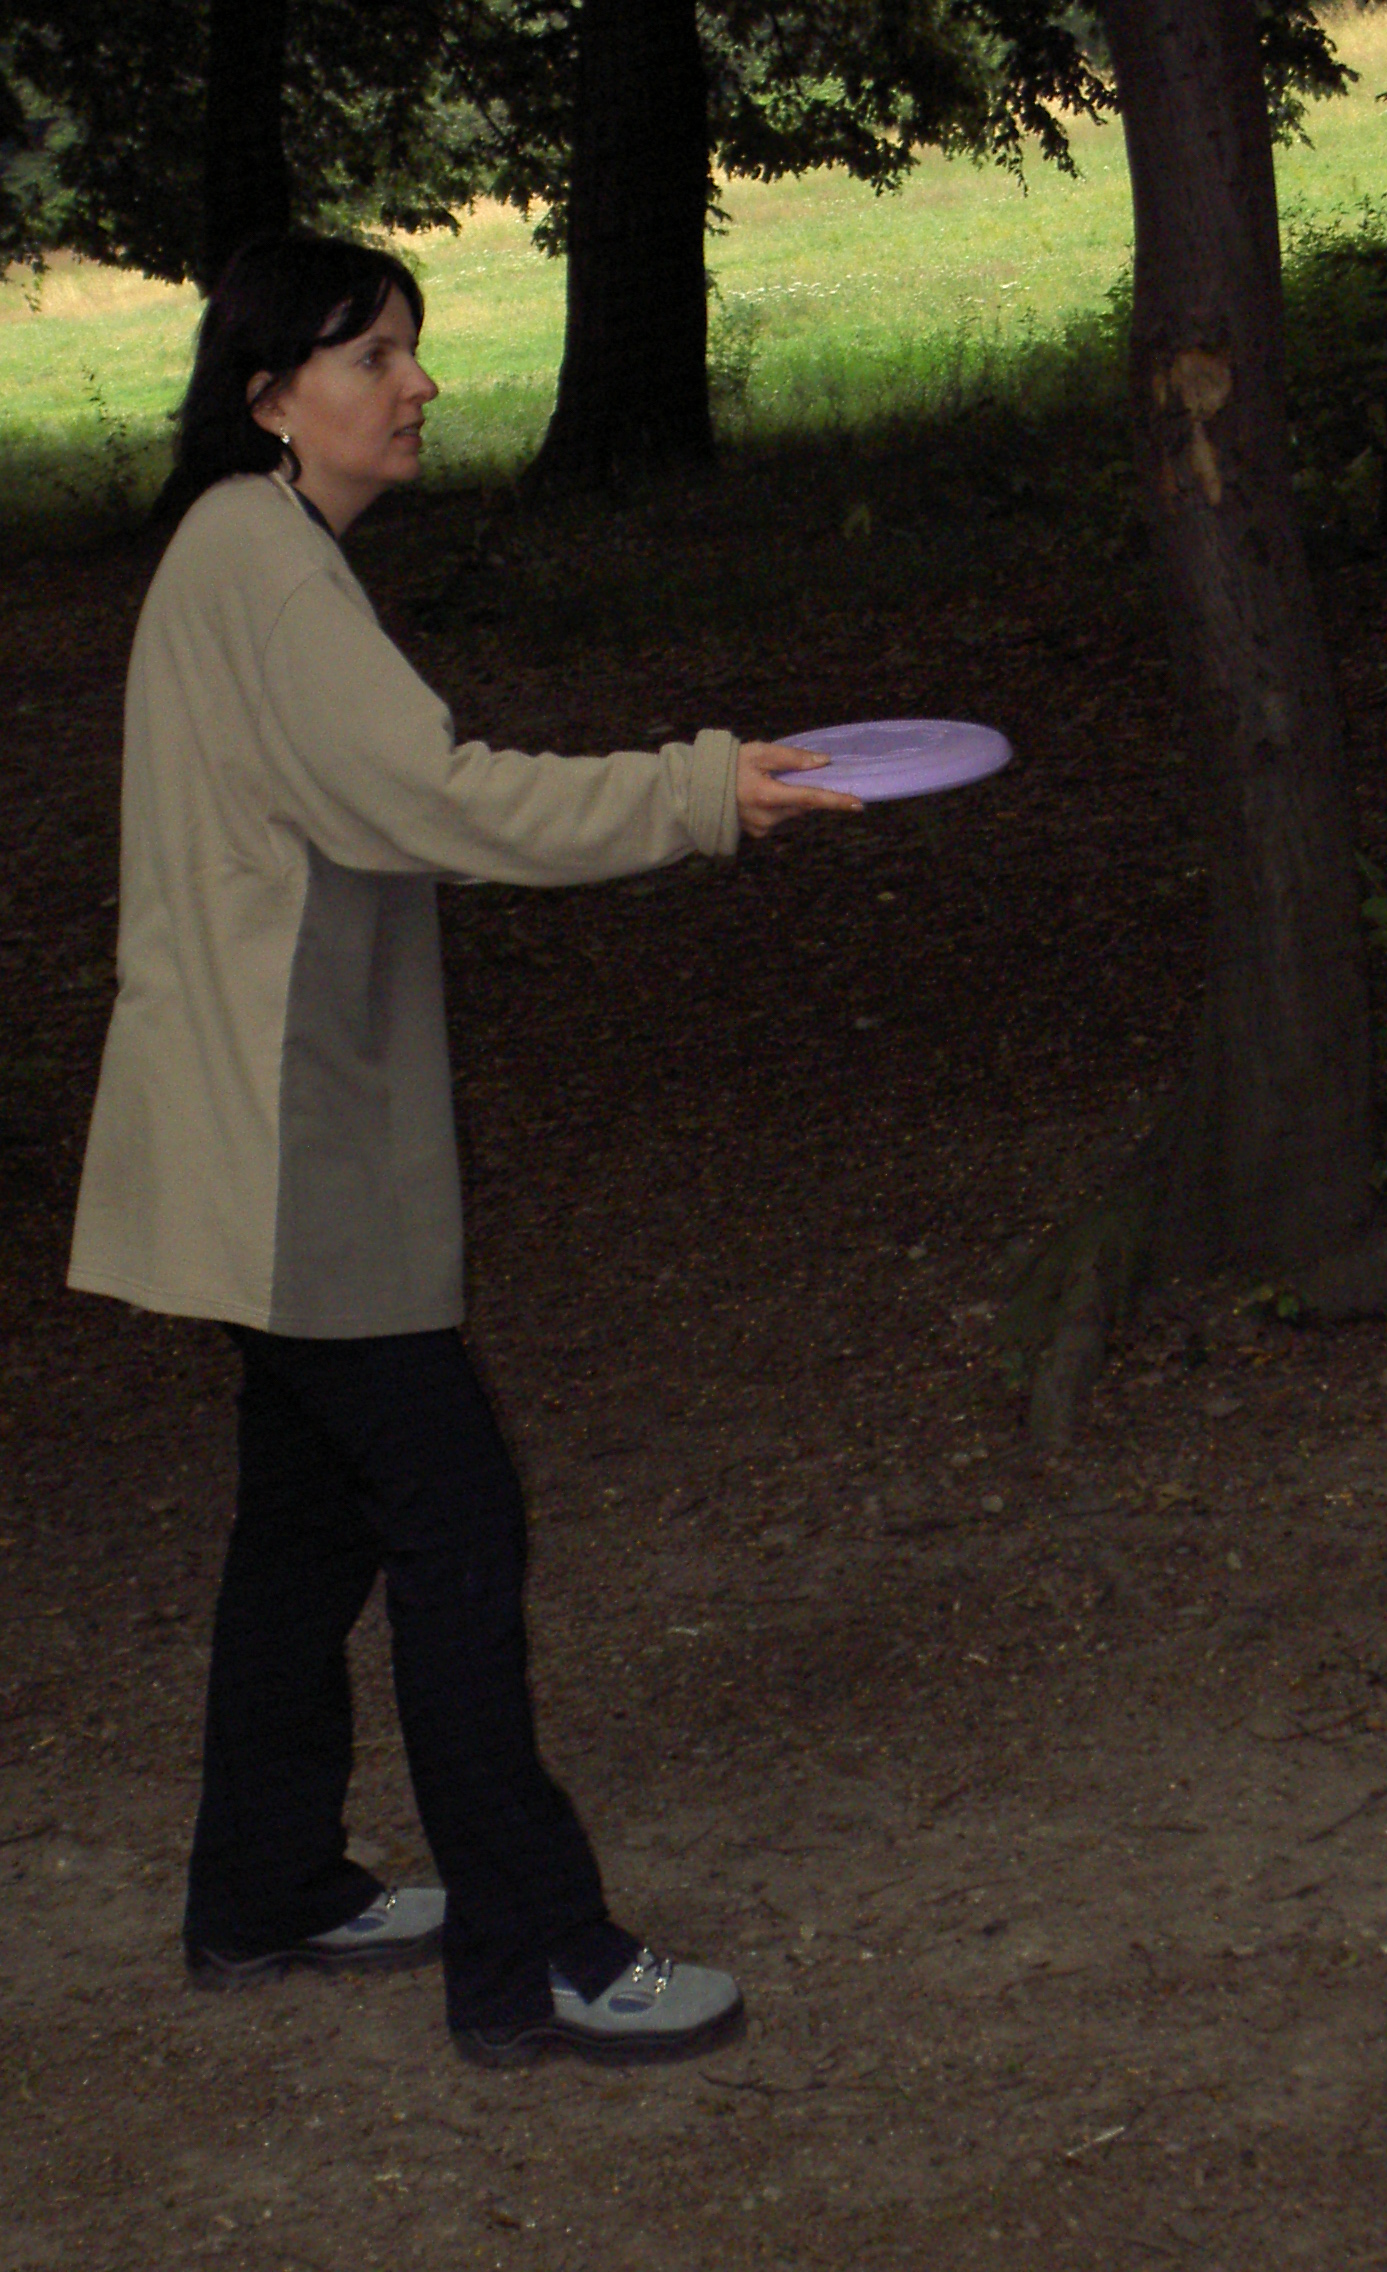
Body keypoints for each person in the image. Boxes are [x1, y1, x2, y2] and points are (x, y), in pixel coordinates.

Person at [66, 233, 859, 2069]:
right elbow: (435, 799)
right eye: (372, 357)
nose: (416, 384)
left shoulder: (253, 550)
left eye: (413, 349)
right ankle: (539, 1957)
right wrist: (697, 789)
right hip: (287, 1153)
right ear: (270, 396)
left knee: (306, 1524)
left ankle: (265, 1889)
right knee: (457, 1518)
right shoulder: (264, 566)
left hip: (259, 1130)